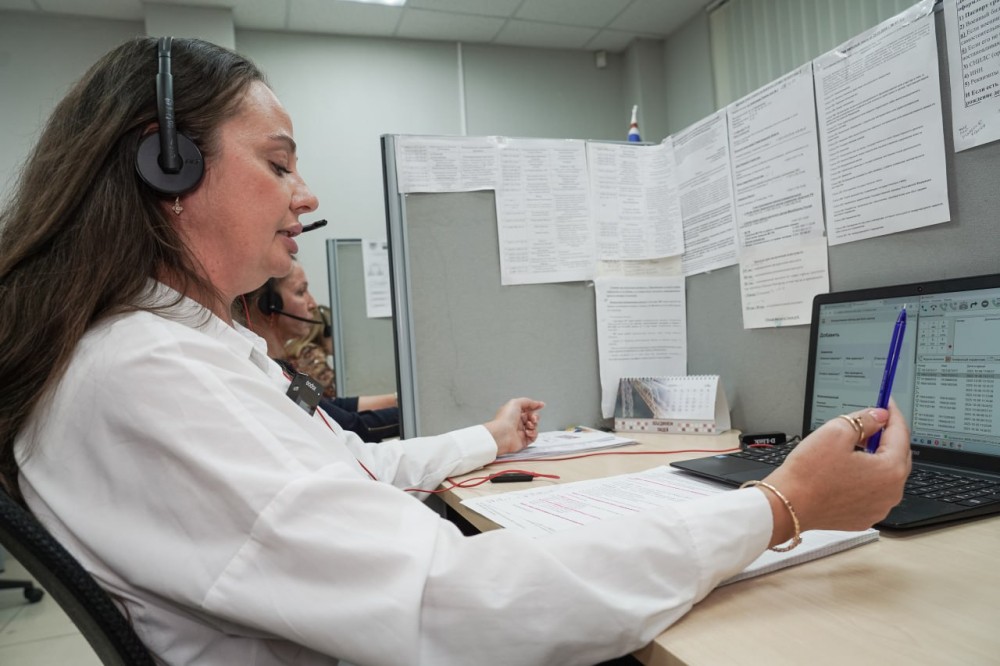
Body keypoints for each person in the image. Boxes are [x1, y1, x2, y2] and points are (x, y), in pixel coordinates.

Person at [0, 37, 911, 666]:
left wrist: (486, 441)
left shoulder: (166, 355)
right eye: (277, 164)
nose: (305, 197)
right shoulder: (146, 378)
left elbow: (349, 471)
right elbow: (464, 606)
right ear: (167, 166)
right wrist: (780, 506)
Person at [242, 261, 401, 442]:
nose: (313, 304)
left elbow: (329, 407)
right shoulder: (272, 375)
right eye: (301, 292)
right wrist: (415, 409)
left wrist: (397, 399)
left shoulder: (282, 367)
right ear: (269, 305)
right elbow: (350, 426)